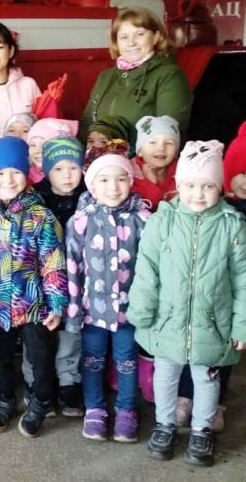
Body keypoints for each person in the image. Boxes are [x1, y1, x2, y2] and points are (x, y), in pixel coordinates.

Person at [128, 140, 246, 467]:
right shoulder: (163, 221)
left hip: (212, 323)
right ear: (178, 185)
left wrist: (244, 324)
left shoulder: (233, 226)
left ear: (220, 187)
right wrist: (142, 309)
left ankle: (201, 429)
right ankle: (165, 423)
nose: (198, 194)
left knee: (206, 377)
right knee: (166, 373)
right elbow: (146, 268)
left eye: (207, 186)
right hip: (166, 319)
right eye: (190, 185)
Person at [175, 119, 246, 432]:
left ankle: (215, 403)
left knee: (222, 355)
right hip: (201, 297)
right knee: (190, 347)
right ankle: (185, 397)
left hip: (234, 302)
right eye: (244, 172)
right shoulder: (207, 203)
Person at [0, 136, 67, 438]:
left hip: (34, 302)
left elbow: (52, 260)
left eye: (15, 172)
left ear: (27, 173)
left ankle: (40, 401)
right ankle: (5, 399)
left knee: (41, 357)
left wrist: (57, 304)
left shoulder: (41, 214)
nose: (7, 180)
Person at [66, 148, 150, 443]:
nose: (112, 187)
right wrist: (74, 311)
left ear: (130, 181)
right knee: (92, 359)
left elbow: (152, 268)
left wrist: (149, 308)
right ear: (91, 184)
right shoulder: (81, 222)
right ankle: (95, 409)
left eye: (120, 179)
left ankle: (127, 410)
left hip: (131, 312)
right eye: (103, 180)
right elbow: (73, 268)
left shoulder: (143, 220)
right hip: (93, 310)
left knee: (127, 359)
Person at [24, 136, 86, 417]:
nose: (67, 176)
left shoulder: (90, 197)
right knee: (36, 332)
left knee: (71, 331)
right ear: (46, 170)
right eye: (58, 168)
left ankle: (68, 381)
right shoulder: (34, 198)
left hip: (76, 277)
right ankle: (36, 380)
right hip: (39, 277)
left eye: (73, 167)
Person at [80, 7, 192, 145]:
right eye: (124, 37)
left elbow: (169, 134)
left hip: (142, 163)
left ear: (156, 37)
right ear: (117, 42)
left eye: (139, 34)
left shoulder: (170, 76)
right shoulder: (105, 76)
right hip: (101, 160)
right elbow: (86, 123)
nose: (131, 42)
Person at [131, 115, 180, 210]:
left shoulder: (183, 170)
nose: (161, 148)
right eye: (153, 142)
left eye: (169, 143)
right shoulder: (129, 172)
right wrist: (149, 183)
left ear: (175, 153)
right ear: (140, 151)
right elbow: (141, 210)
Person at [26, 118, 78, 184]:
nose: (37, 150)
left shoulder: (71, 176)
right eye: (33, 145)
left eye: (44, 145)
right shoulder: (26, 176)